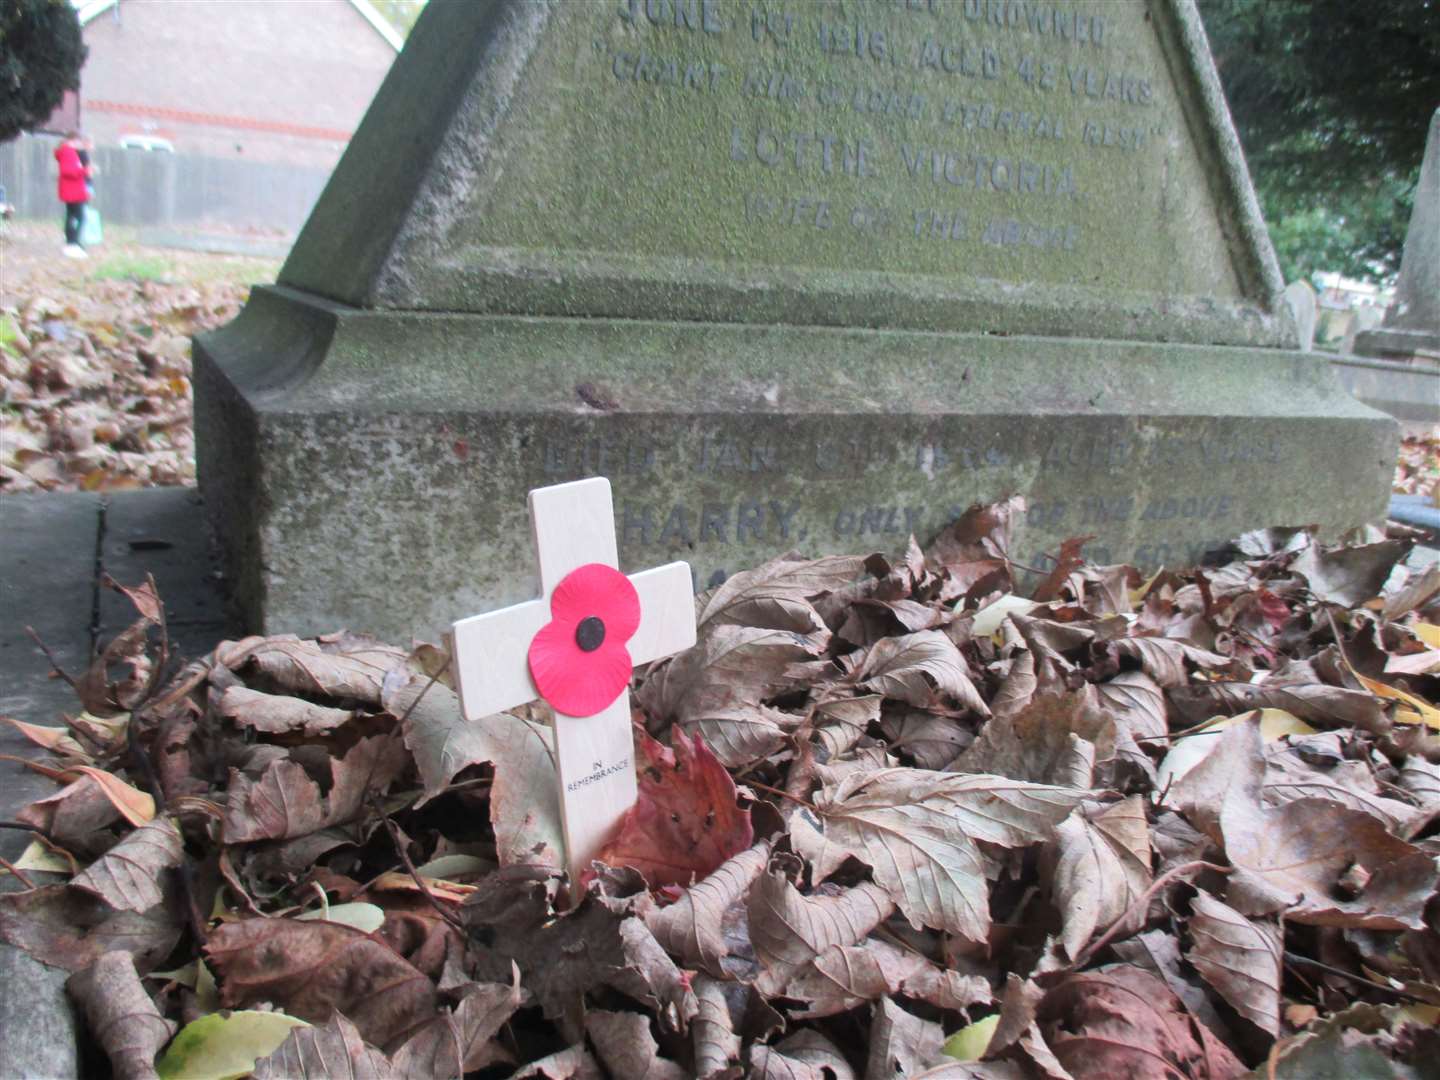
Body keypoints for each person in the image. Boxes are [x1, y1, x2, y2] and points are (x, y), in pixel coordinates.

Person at [54, 131, 92, 259]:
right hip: (73, 190)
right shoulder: (68, 152)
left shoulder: (67, 152)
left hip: (72, 189)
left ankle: (71, 242)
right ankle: (73, 243)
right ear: (73, 140)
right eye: (78, 141)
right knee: (79, 217)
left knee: (72, 216)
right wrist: (85, 170)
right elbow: (68, 171)